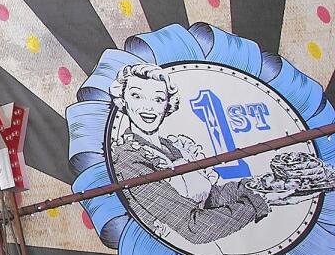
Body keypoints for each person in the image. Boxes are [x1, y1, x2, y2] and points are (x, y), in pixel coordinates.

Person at [107, 63, 270, 245]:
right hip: (173, 252)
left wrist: (257, 189)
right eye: (137, 96)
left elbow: (209, 198)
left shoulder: (174, 147)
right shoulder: (128, 160)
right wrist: (253, 206)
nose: (149, 107)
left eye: (158, 99)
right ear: (122, 100)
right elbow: (194, 228)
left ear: (168, 104)